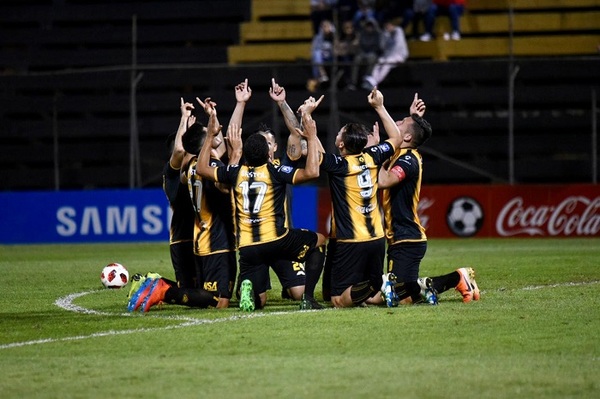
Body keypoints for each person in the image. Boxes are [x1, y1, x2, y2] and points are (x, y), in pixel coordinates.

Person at [196, 99, 327, 312]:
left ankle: (248, 289)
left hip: (248, 247)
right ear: (269, 152)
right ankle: (309, 298)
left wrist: (210, 136)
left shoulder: (235, 172)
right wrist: (311, 136)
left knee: (260, 302)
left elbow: (202, 168)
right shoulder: (276, 171)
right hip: (278, 239)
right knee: (319, 241)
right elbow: (312, 171)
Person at [377, 92, 480, 306]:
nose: (397, 122)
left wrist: (374, 156)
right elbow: (404, 136)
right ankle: (452, 279)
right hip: (403, 238)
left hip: (407, 238)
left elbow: (384, 181)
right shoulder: (402, 153)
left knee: (397, 297)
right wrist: (413, 117)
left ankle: (456, 278)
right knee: (404, 294)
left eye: (402, 122)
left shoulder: (408, 159)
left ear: (406, 138)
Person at [318, 88, 402, 308]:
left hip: (351, 240)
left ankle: (382, 285)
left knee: (337, 300)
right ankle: (382, 285)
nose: (337, 134)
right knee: (366, 292)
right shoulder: (373, 155)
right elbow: (396, 138)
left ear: (341, 144)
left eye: (339, 133)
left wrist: (308, 125)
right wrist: (379, 107)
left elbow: (314, 156)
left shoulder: (339, 165)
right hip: (376, 237)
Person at [161, 98, 200, 289]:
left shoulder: (195, 166)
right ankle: (157, 285)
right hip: (183, 239)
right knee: (189, 291)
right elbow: (179, 149)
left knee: (205, 292)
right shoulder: (172, 175)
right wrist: (184, 119)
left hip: (201, 237)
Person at [362, 19, 409, 90]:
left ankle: (375, 81)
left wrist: (387, 57)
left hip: (400, 55)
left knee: (387, 63)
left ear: (393, 25)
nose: (388, 27)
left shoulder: (398, 31)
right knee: (379, 61)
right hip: (388, 56)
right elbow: (382, 46)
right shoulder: (386, 34)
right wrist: (385, 35)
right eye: (386, 26)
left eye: (389, 26)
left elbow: (397, 47)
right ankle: (373, 79)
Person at [349, 17, 382, 90]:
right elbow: (360, 45)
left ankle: (367, 81)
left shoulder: (377, 34)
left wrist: (371, 51)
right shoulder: (362, 34)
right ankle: (353, 83)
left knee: (371, 59)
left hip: (373, 52)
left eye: (371, 26)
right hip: (363, 52)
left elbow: (378, 46)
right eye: (368, 26)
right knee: (357, 59)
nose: (369, 28)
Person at [310, 19, 336, 87]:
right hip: (322, 59)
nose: (325, 28)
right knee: (317, 54)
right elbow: (314, 50)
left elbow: (337, 47)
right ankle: (322, 75)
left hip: (332, 57)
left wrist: (333, 33)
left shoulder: (333, 37)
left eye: (327, 26)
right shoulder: (318, 38)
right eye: (324, 26)